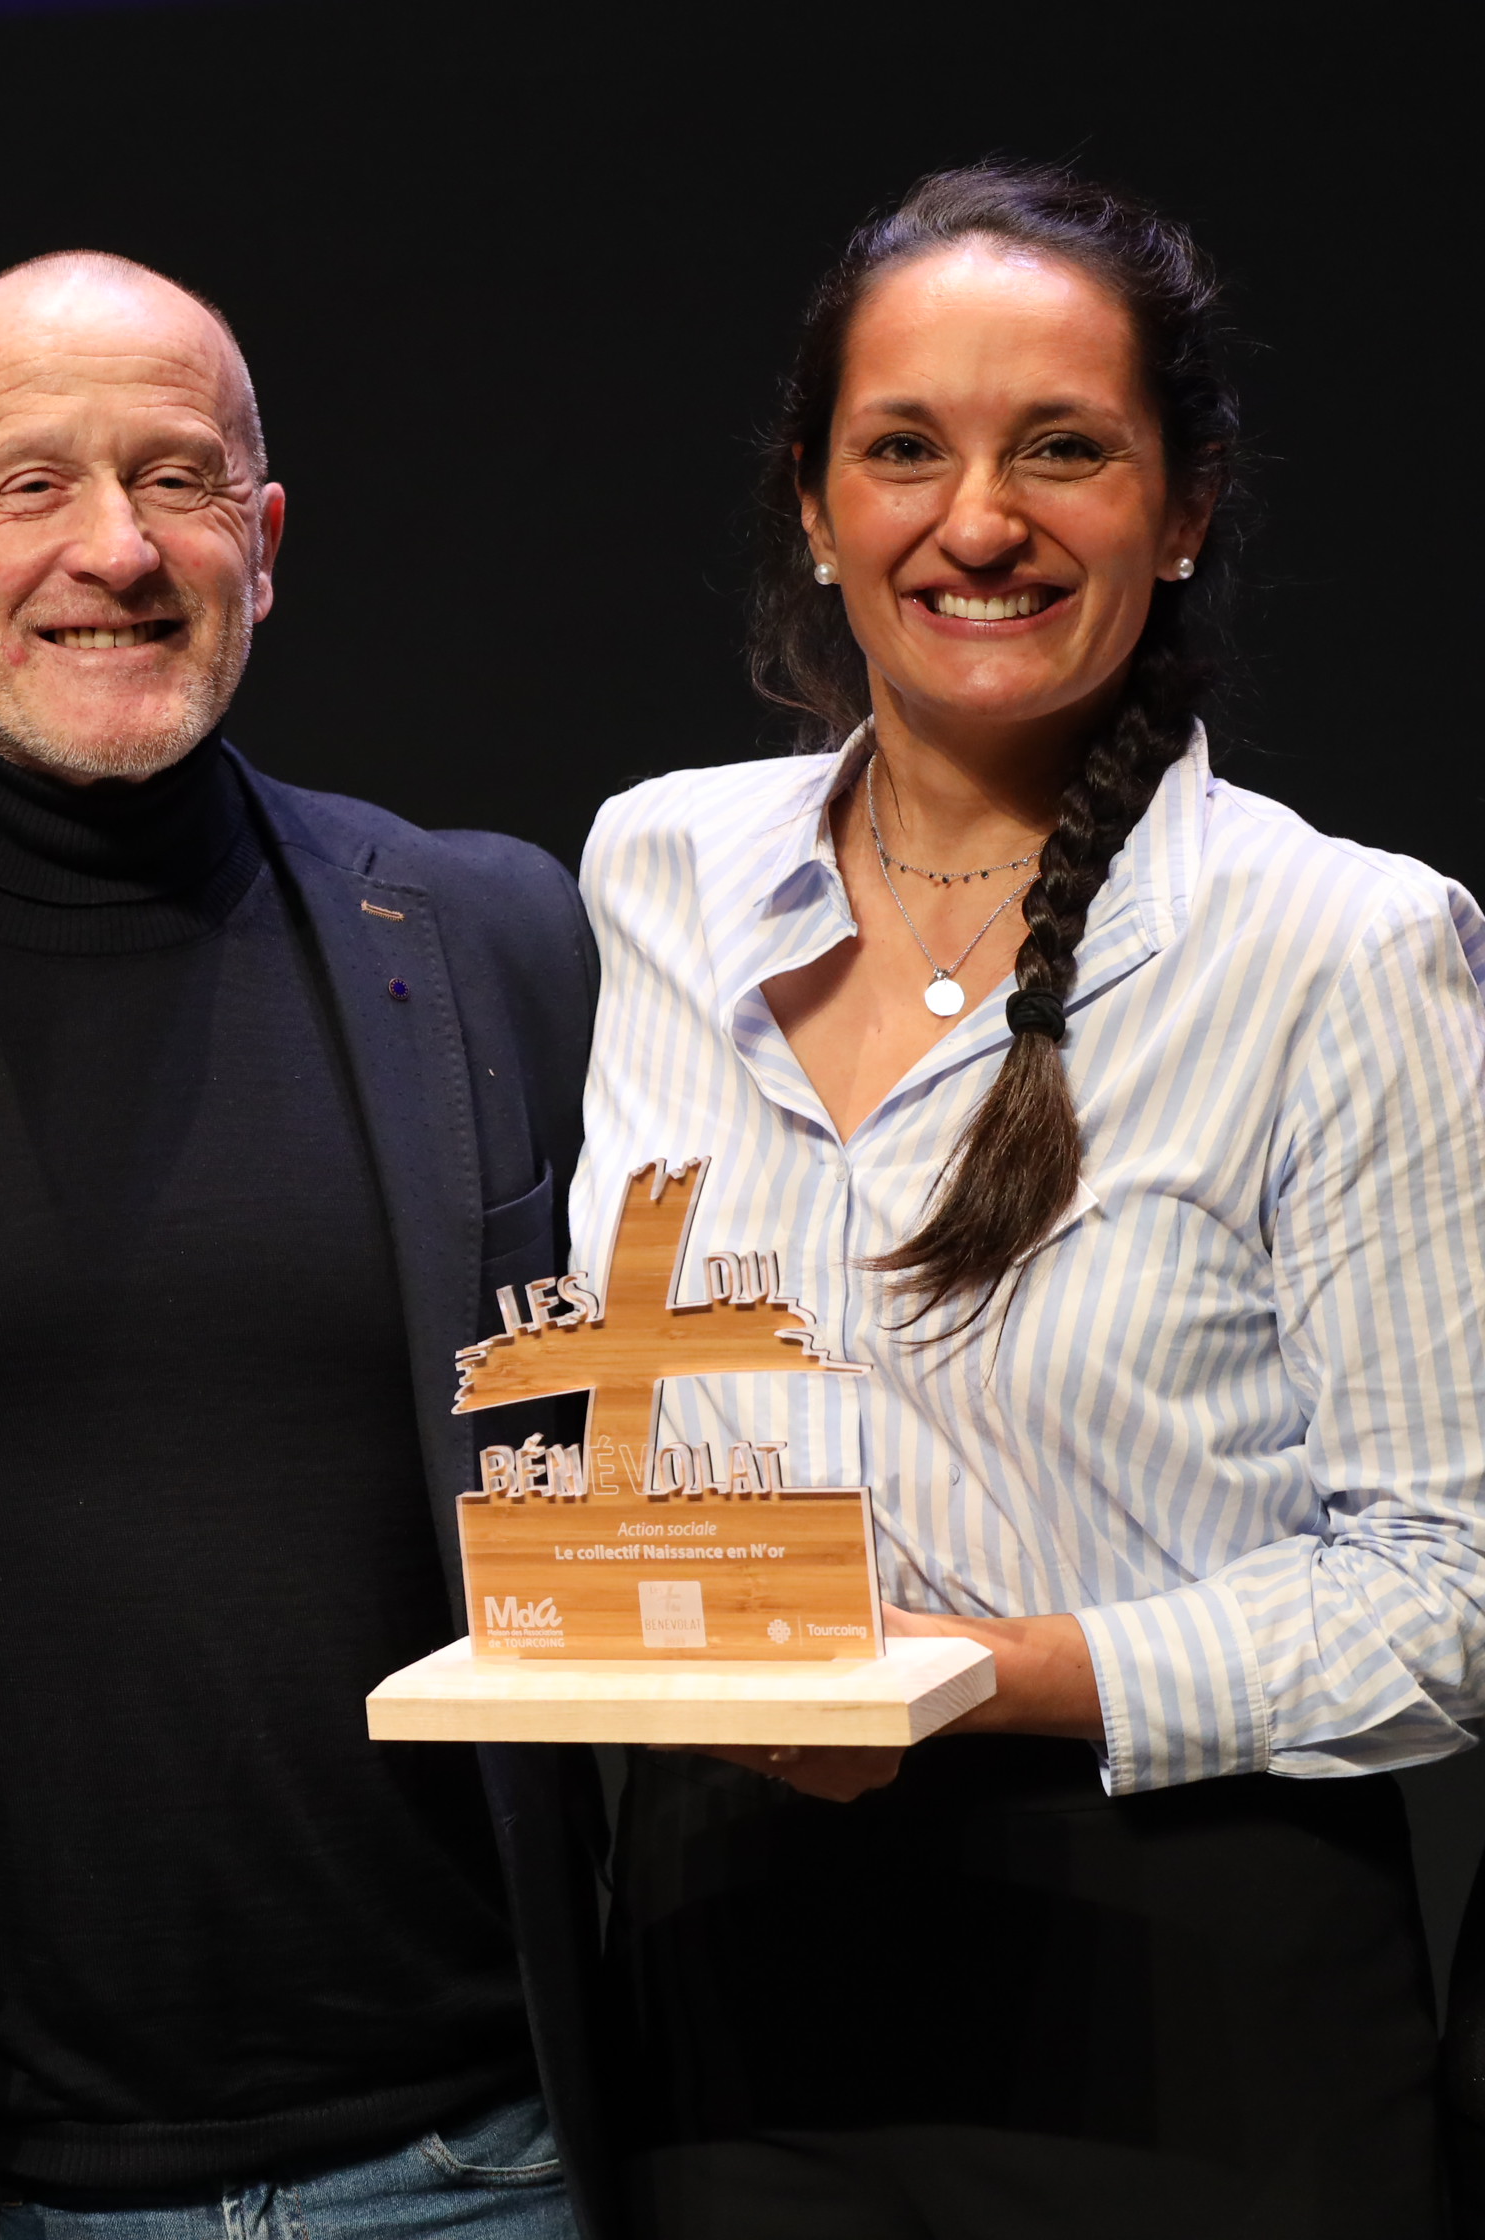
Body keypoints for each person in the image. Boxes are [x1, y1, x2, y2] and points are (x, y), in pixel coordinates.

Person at [578, 164, 1485, 2239]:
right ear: (816, 507)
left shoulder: (1340, 945)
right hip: (728, 1997)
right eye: (904, 449)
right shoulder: (656, 874)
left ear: (1185, 508)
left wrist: (983, 1670)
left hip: (1183, 2022)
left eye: (1062, 449)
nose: (976, 521)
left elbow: (1453, 1589)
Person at [0, 253, 609, 2237]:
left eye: (177, 479)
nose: (115, 549)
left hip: (485, 2160)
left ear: (263, 543)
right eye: (29, 484)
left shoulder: (494, 937)